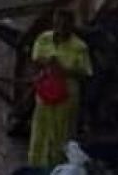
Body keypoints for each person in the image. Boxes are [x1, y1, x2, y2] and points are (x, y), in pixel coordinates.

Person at [28, 9, 93, 167]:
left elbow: (86, 74)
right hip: (45, 95)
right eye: (58, 24)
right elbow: (34, 61)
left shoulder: (80, 47)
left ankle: (58, 168)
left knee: (62, 135)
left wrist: (64, 70)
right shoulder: (44, 39)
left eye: (65, 24)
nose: (61, 28)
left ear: (71, 26)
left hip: (67, 99)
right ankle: (36, 167)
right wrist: (46, 64)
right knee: (40, 132)